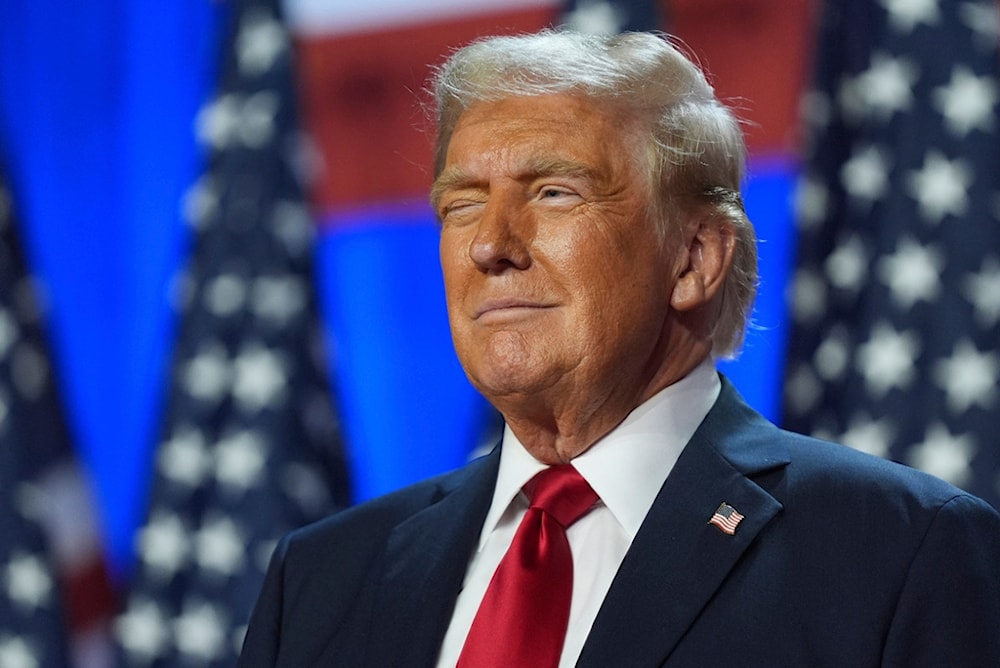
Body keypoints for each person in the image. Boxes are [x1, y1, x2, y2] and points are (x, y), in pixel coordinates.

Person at [238, 29, 1000, 667]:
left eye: (553, 193)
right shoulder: (323, 578)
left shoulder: (900, 554)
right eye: (463, 204)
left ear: (694, 259)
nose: (490, 247)